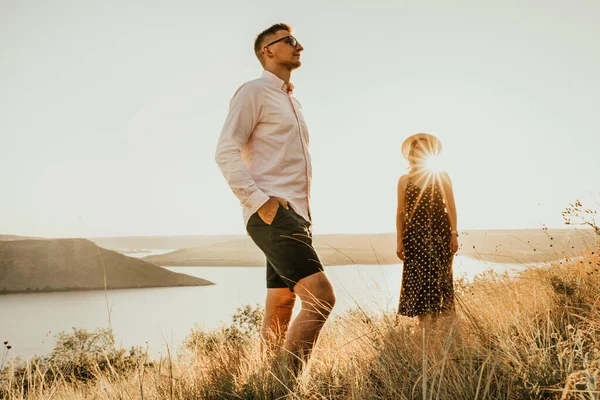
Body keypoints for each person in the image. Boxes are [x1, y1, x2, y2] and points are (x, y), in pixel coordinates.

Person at [215, 23, 335, 372]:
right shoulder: (253, 92)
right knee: (321, 299)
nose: (299, 46)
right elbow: (225, 151)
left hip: (296, 214)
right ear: (267, 50)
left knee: (282, 303)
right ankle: (287, 385)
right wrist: (260, 201)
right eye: (290, 41)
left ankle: (267, 384)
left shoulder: (291, 101)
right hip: (271, 212)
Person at [395, 133, 458, 324]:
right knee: (419, 281)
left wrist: (454, 234)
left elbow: (451, 206)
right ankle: (424, 328)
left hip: (440, 234)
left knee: (441, 279)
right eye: (416, 150)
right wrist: (399, 241)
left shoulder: (441, 175)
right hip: (414, 238)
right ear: (411, 155)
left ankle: (442, 325)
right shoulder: (404, 180)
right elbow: (400, 212)